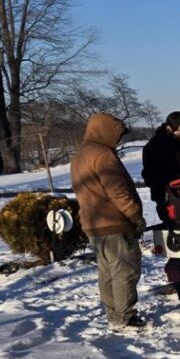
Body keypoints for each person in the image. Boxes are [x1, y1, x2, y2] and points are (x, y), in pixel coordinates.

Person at [71, 112, 147, 330]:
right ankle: (125, 317)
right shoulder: (103, 154)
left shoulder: (80, 155)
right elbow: (117, 190)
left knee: (107, 272)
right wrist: (134, 215)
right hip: (114, 222)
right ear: (105, 131)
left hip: (94, 225)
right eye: (117, 134)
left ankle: (114, 315)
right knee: (124, 270)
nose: (119, 139)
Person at [142, 111, 180, 300]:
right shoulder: (153, 148)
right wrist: (170, 186)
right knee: (179, 241)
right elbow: (150, 177)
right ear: (169, 128)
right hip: (170, 202)